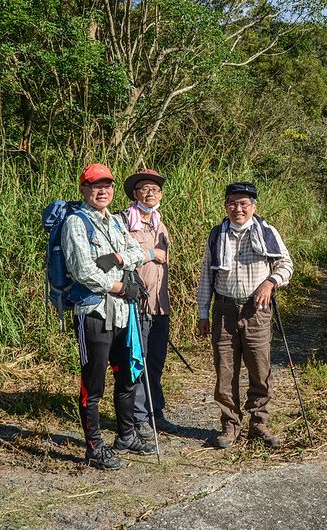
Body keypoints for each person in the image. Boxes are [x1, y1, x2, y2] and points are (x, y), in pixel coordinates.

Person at [62, 163, 157, 470]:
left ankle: (126, 435)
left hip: (121, 312)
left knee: (127, 375)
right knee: (94, 383)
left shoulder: (116, 221)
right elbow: (83, 270)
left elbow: (139, 253)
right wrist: (119, 285)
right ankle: (94, 448)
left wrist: (116, 258)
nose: (101, 191)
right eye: (94, 186)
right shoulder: (76, 223)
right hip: (94, 313)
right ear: (84, 189)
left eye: (107, 185)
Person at [197, 181, 293, 448]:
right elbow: (206, 274)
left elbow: (286, 263)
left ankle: (258, 422)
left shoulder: (266, 231)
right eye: (232, 203)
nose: (237, 209)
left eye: (243, 203)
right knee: (224, 371)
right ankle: (230, 425)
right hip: (224, 309)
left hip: (256, 311)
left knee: (259, 368)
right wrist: (203, 312)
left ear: (253, 206)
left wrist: (271, 282)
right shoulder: (217, 234)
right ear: (226, 205)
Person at [119, 169, 179, 438]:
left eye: (155, 189)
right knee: (138, 361)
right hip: (137, 306)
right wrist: (150, 253)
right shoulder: (123, 221)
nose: (150, 193)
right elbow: (118, 257)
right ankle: (140, 418)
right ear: (135, 194)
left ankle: (156, 412)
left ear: (161, 195)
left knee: (155, 362)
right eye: (144, 188)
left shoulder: (159, 223)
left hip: (159, 306)